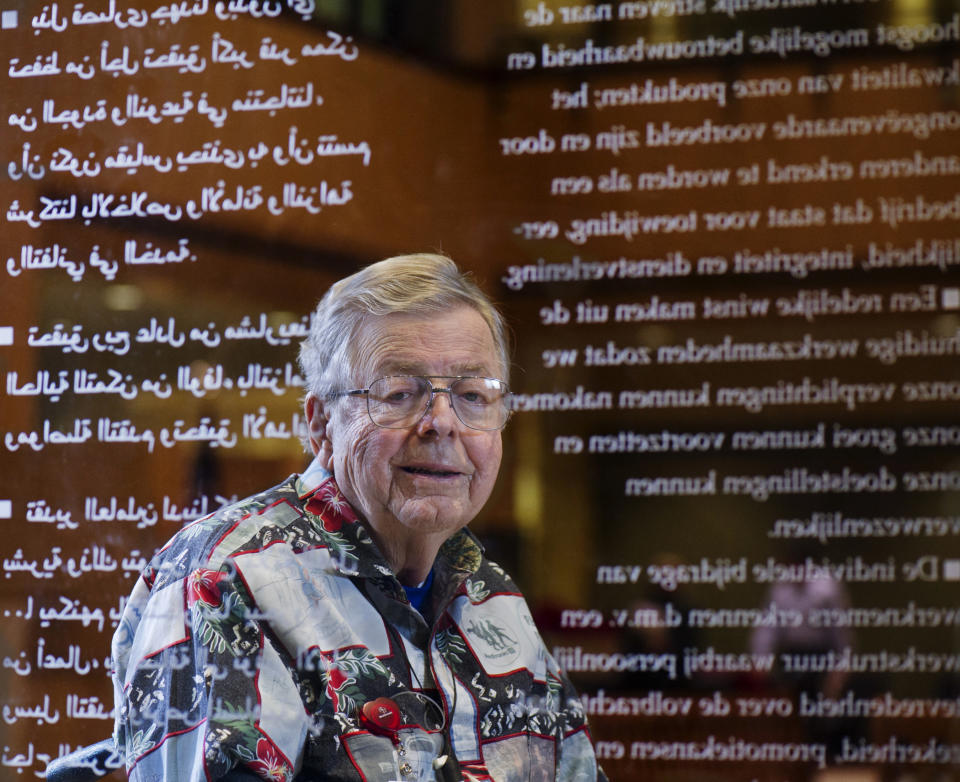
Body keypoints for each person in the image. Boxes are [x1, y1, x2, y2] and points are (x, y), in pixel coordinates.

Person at [111, 254, 605, 781]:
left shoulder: (491, 595)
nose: (442, 423)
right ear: (321, 422)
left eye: (472, 395)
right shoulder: (225, 582)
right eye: (398, 393)